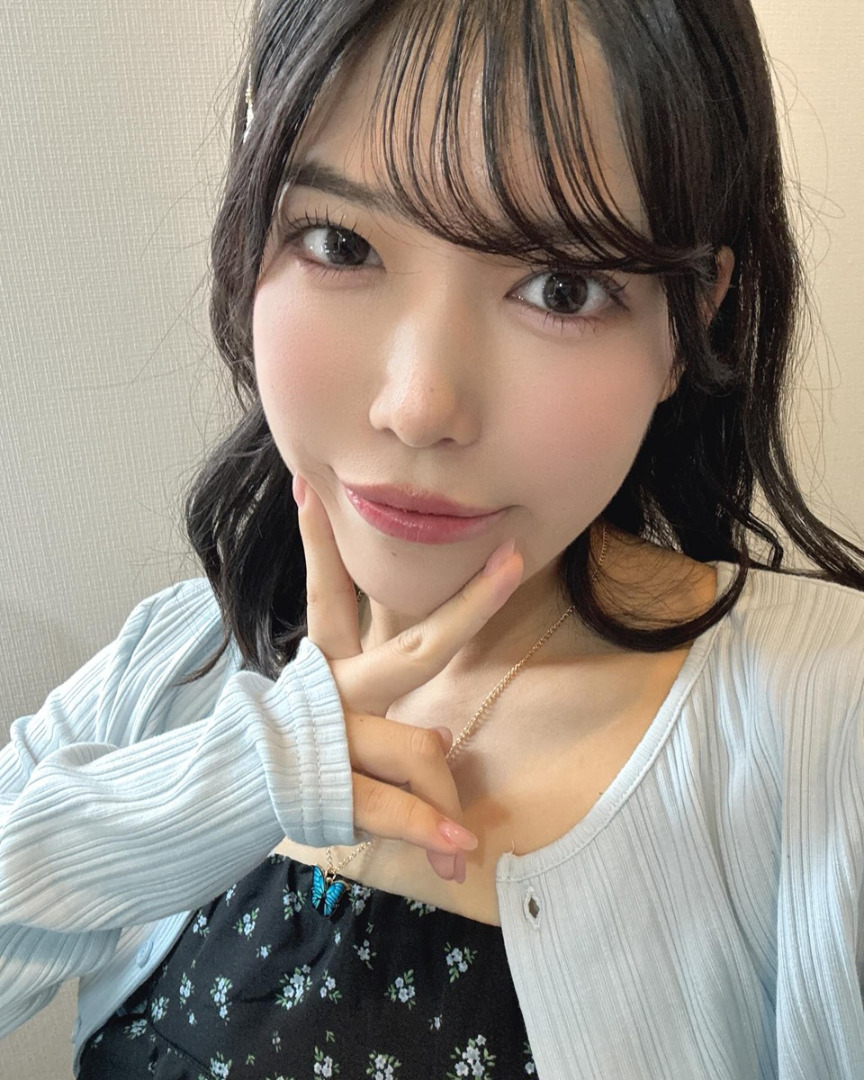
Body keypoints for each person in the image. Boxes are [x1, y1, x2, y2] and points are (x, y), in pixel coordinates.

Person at [2, 0, 864, 1076]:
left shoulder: (827, 724)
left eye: (561, 288)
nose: (419, 407)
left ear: (693, 319)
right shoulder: (180, 660)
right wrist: (229, 781)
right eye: (342, 242)